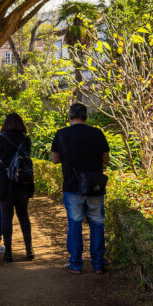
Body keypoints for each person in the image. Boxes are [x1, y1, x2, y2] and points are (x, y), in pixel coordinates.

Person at [51, 102, 110, 274]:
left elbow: (55, 160)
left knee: (75, 225)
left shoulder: (61, 134)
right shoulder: (97, 133)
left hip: (72, 186)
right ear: (86, 116)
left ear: (69, 117)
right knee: (97, 224)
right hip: (95, 186)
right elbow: (105, 159)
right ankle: (98, 265)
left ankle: (76, 264)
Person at [0, 113, 34, 262]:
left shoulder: (0, 139)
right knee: (23, 214)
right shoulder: (26, 140)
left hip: (5, 182)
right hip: (23, 181)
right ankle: (29, 250)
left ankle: (9, 252)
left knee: (6, 215)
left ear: (5, 125)